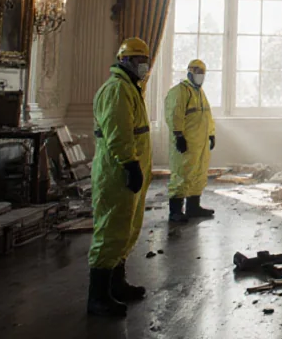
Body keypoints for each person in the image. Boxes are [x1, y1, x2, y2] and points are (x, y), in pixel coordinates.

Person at [86, 37, 153, 317]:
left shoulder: (129, 88)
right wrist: (129, 164)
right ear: (124, 61)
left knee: (125, 229)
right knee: (111, 231)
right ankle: (98, 297)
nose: (143, 66)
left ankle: (117, 283)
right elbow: (118, 133)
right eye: (139, 61)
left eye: (144, 61)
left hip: (125, 169)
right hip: (116, 173)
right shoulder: (116, 90)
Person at [165, 59, 216, 223]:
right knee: (182, 175)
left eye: (202, 73)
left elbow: (206, 116)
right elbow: (174, 114)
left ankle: (193, 207)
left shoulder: (199, 93)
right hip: (186, 143)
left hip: (200, 144)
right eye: (197, 72)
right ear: (189, 73)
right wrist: (178, 135)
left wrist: (211, 134)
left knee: (199, 175)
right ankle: (175, 211)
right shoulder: (180, 91)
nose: (200, 76)